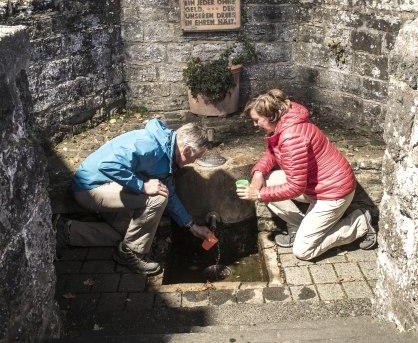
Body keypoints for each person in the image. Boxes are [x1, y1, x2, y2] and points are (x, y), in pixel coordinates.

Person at [55, 119, 212, 275]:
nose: (194, 162)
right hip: (90, 189)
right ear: (186, 150)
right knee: (157, 198)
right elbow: (108, 165)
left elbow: (170, 193)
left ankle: (66, 230)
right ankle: (131, 254)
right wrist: (143, 186)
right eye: (196, 157)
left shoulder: (168, 155)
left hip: (112, 188)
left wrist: (191, 226)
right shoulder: (150, 146)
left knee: (131, 234)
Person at [236, 89, 377, 261]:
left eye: (257, 120)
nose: (255, 125)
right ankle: (298, 227)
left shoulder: (292, 137)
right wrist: (259, 171)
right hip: (315, 185)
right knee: (267, 180)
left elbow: (295, 187)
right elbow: (273, 152)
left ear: (271, 116)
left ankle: (359, 223)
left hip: (332, 192)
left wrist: (258, 194)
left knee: (303, 251)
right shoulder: (286, 121)